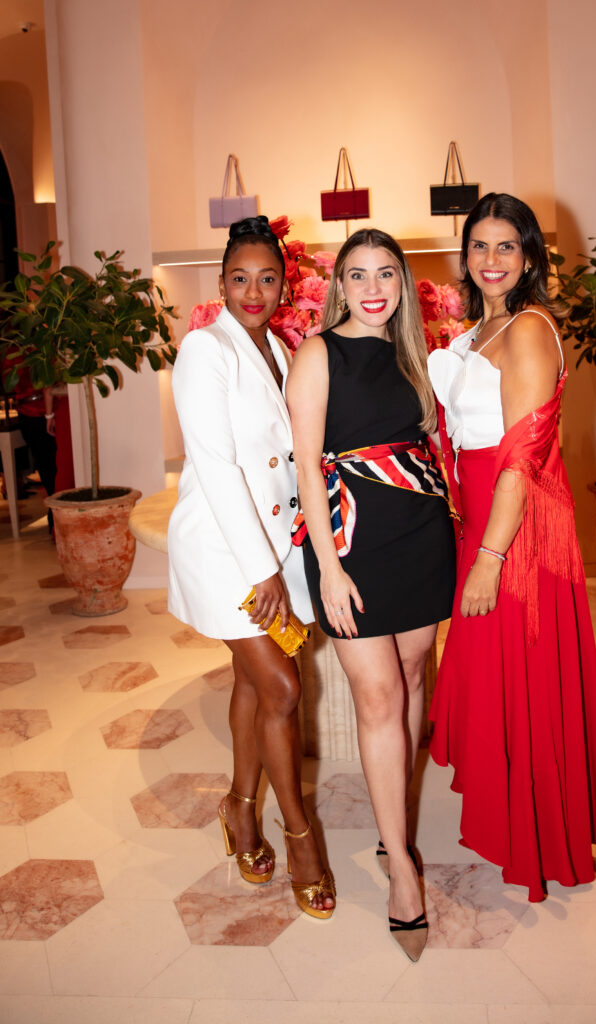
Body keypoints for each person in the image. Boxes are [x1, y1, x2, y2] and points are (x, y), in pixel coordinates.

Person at [428, 193, 596, 903]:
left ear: (530, 255)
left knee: (524, 673)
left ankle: (537, 836)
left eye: (504, 246)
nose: (490, 260)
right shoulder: (484, 328)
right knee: (497, 678)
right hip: (482, 516)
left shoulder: (530, 330)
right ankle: (518, 821)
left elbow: (521, 456)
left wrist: (489, 558)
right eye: (478, 246)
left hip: (519, 532)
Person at [286, 228, 456, 960]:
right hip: (349, 546)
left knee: (414, 675)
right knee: (378, 697)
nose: (372, 287)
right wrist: (327, 568)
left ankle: (398, 831)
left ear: (402, 283)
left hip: (419, 538)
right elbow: (304, 469)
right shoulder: (318, 354)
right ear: (338, 287)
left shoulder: (416, 357)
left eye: (385, 273)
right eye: (356, 275)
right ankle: (402, 875)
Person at [167, 216, 335, 919]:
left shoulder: (276, 349)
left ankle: (239, 809)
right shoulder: (206, 350)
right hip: (225, 550)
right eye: (240, 278)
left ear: (284, 285)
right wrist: (263, 571)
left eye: (268, 278)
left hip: (271, 551)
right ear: (221, 283)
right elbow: (217, 464)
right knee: (284, 688)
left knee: (252, 683)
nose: (254, 290)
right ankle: (299, 837)